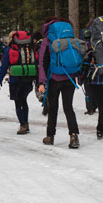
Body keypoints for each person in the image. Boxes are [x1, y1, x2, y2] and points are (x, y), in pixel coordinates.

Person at [37, 18, 82, 148]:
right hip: (70, 77)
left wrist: (42, 82)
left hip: (54, 79)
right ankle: (74, 136)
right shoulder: (69, 37)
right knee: (68, 107)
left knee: (53, 108)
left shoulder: (48, 40)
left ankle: (50, 136)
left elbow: (42, 62)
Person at [0, 30, 38, 134]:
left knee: (18, 103)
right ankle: (26, 123)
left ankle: (23, 125)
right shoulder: (30, 49)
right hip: (28, 78)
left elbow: (4, 67)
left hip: (15, 80)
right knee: (24, 101)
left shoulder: (9, 50)